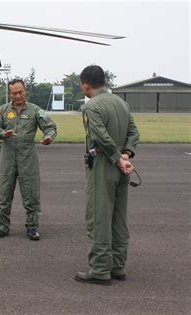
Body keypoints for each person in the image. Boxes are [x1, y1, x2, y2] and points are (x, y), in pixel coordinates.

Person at [75, 65, 139, 285]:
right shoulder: (122, 104)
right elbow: (133, 132)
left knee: (99, 217)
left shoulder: (92, 107)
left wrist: (116, 158)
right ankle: (118, 266)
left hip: (103, 165)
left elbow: (100, 136)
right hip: (122, 168)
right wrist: (126, 155)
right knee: (119, 218)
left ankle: (100, 269)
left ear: (85, 84)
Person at [0, 79, 57, 241]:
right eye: (14, 93)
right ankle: (2, 226)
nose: (18, 96)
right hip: (8, 158)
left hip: (28, 157)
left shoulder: (35, 110)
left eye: (21, 92)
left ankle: (32, 227)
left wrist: (48, 137)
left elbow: (50, 127)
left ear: (25, 91)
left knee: (31, 193)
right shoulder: (3, 110)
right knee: (4, 194)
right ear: (9, 94)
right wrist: (3, 134)